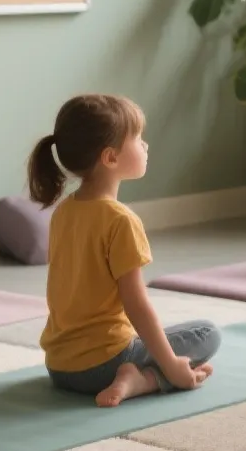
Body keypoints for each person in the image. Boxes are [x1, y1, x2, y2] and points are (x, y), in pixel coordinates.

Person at [27, 94, 218, 407]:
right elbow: (136, 303)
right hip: (105, 365)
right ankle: (142, 380)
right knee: (207, 333)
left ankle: (136, 374)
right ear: (110, 158)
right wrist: (171, 367)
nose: (145, 145)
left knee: (160, 338)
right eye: (138, 138)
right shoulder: (121, 220)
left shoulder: (64, 212)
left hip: (61, 368)